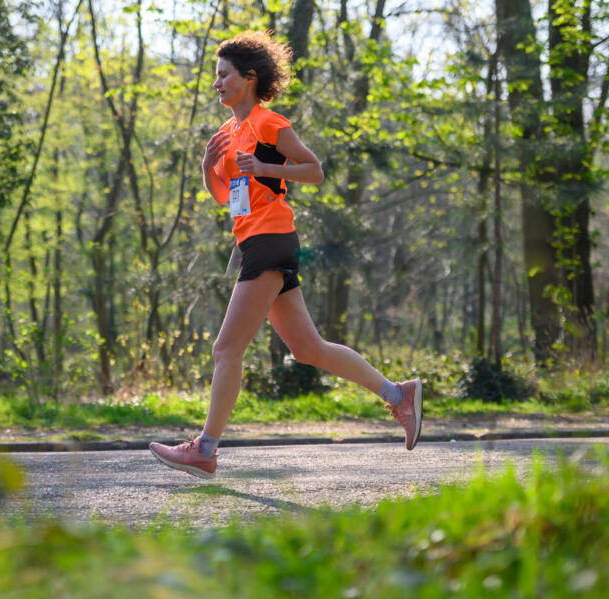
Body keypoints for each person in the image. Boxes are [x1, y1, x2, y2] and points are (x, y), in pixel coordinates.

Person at [149, 31, 422, 480]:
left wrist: (267, 167)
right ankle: (399, 395)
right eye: (215, 76)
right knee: (309, 348)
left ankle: (205, 449)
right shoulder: (226, 132)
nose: (216, 83)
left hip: (272, 239)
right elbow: (223, 196)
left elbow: (314, 170)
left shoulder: (268, 123)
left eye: (224, 75)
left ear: (249, 77)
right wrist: (205, 167)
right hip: (253, 242)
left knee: (225, 349)